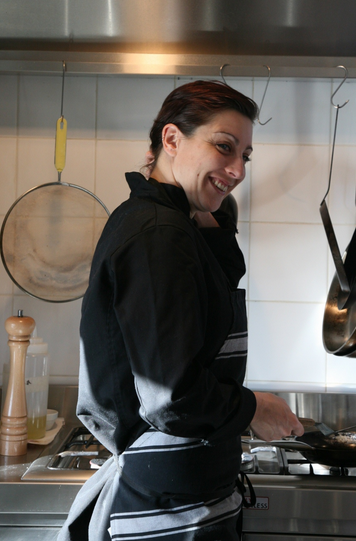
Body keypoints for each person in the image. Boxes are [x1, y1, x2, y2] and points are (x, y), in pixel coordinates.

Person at [59, 80, 303, 541]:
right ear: (172, 140)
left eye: (245, 156)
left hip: (183, 497)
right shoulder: (157, 233)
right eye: (224, 147)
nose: (237, 170)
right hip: (166, 509)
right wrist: (253, 407)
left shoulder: (174, 225)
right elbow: (172, 396)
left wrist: (209, 216)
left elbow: (215, 291)